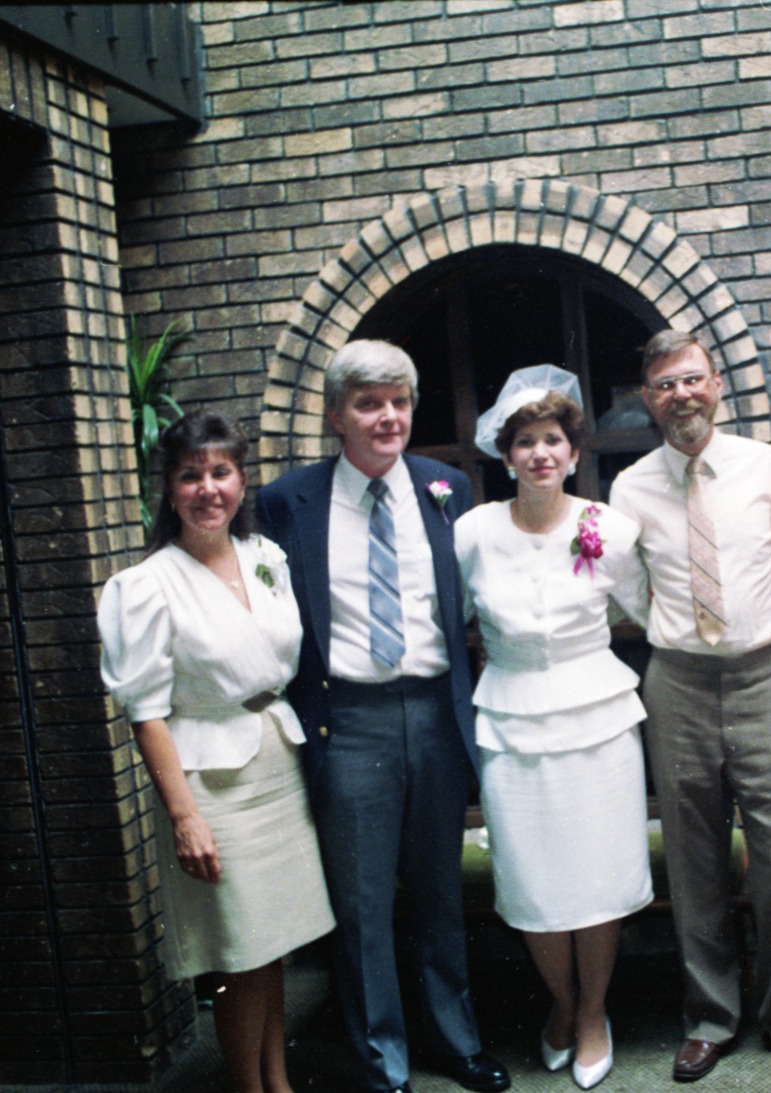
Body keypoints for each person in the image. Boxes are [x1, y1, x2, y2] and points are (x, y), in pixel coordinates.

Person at [254, 340, 508, 1093]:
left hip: (433, 712)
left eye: (399, 400)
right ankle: (381, 1060)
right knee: (362, 904)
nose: (387, 416)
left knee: (439, 889)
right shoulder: (285, 501)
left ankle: (456, 1041)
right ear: (337, 416)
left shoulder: (446, 487)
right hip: (350, 718)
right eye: (368, 402)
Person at [610, 330, 771, 1082]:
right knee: (694, 856)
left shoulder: (762, 465)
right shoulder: (631, 486)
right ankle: (710, 1016)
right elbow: (629, 588)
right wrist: (674, 635)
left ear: (716, 384)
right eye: (665, 385)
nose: (681, 395)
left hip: (762, 674)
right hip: (677, 679)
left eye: (692, 379)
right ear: (649, 399)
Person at [98, 410, 335, 1093]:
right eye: (190, 475)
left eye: (221, 472)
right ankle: (247, 1086)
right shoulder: (145, 586)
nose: (208, 488)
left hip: (275, 762)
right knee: (237, 952)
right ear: (168, 489)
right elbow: (145, 711)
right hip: (210, 782)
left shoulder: (266, 559)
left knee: (273, 947)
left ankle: (277, 1081)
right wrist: (184, 817)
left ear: (240, 478)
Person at [453, 366, 653, 1091]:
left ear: (573, 453)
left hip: (596, 717)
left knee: (596, 873)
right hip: (509, 720)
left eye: (554, 440)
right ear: (505, 456)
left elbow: (642, 609)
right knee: (535, 879)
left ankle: (595, 1010)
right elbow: (453, 622)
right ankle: (562, 1006)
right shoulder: (472, 532)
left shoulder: (608, 528)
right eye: (526, 441)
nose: (541, 453)